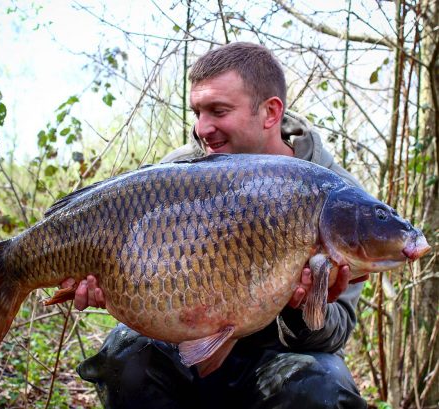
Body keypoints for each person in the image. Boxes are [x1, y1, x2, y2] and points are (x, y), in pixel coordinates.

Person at [61, 42, 369, 409]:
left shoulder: (337, 197)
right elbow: (136, 266)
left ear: (270, 112)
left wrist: (301, 306)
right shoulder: (177, 174)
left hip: (278, 358)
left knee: (323, 387)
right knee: (125, 355)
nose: (202, 128)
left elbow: (334, 334)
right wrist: (109, 286)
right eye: (197, 112)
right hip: (185, 344)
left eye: (218, 111)